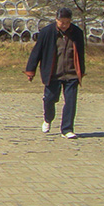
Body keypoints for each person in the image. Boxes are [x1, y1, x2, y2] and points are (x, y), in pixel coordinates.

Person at [25, 8, 86, 139]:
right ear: (56, 20)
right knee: (50, 99)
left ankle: (67, 129)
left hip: (71, 74)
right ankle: (48, 118)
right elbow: (37, 52)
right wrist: (31, 70)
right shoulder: (47, 32)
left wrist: (82, 70)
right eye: (61, 22)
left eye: (67, 22)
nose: (64, 25)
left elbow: (80, 54)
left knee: (70, 101)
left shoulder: (77, 33)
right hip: (53, 73)